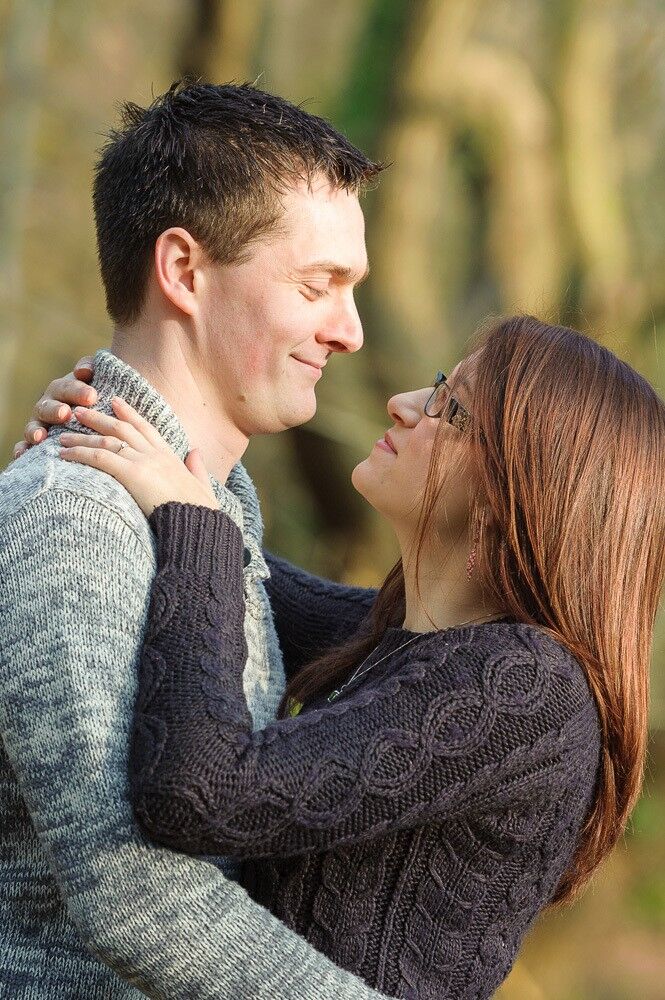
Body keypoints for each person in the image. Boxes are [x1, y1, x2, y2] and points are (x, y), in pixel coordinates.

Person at [20, 315, 665, 998]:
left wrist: (187, 518)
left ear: (515, 497)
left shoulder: (527, 691)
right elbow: (225, 574)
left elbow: (201, 792)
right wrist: (109, 435)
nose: (405, 403)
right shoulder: (405, 643)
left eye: (450, 409)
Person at [0, 80, 394, 1000]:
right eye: (317, 285)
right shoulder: (74, 519)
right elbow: (129, 890)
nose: (349, 330)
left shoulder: (209, 516)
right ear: (183, 271)